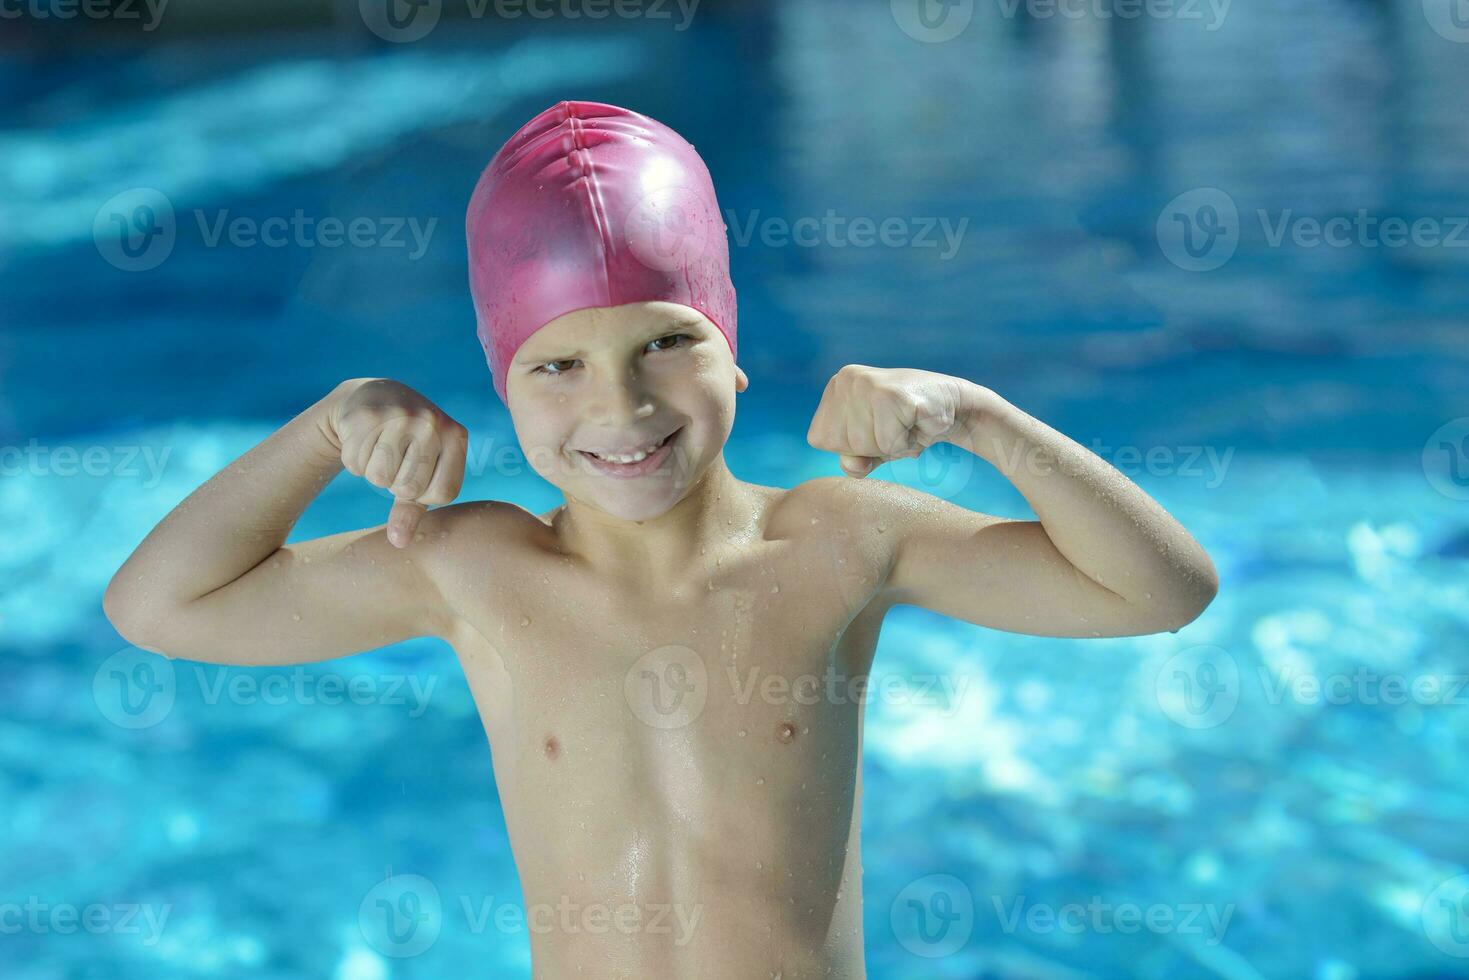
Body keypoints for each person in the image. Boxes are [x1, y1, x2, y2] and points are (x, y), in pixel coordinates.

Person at [104, 100, 1217, 978]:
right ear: (503, 386)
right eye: (558, 365)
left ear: (731, 346)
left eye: (664, 342)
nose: (623, 407)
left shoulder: (837, 537)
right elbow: (158, 606)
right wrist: (322, 426)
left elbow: (1159, 589)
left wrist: (978, 415)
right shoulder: (475, 568)